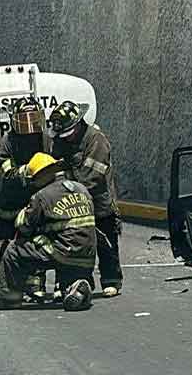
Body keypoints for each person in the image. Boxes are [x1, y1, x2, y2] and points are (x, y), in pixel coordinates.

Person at [0, 153, 95, 311]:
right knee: (61, 242)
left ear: (41, 175)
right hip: (87, 256)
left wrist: (23, 215)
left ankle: (8, 298)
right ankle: (76, 285)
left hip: (63, 253)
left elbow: (24, 226)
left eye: (34, 178)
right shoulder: (82, 189)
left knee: (13, 250)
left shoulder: (42, 196)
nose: (33, 183)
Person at [50, 101, 123, 298]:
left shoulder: (96, 140)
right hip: (72, 203)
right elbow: (55, 167)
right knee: (75, 243)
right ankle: (77, 282)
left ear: (78, 124)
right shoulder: (60, 140)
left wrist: (68, 189)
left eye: (68, 133)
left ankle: (111, 280)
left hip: (98, 202)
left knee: (106, 242)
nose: (65, 138)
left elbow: (92, 175)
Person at [0, 97, 51, 298]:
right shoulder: (7, 142)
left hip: (37, 200)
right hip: (12, 202)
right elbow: (6, 173)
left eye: (34, 119)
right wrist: (28, 171)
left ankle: (35, 285)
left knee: (38, 241)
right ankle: (4, 286)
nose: (29, 125)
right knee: (11, 243)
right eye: (24, 119)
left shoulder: (46, 139)